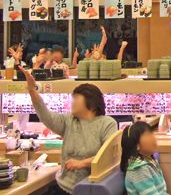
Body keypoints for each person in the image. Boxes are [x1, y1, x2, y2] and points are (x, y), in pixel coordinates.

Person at [20, 66, 117, 195]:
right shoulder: (69, 120)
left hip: (90, 189)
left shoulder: (107, 123)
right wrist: (32, 90)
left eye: (76, 98)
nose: (72, 102)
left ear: (92, 105)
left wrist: (82, 163)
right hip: (63, 187)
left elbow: (109, 156)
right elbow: (46, 116)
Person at [121, 121, 167, 195]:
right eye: (147, 135)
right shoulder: (140, 169)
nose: (153, 137)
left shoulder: (149, 162)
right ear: (137, 146)